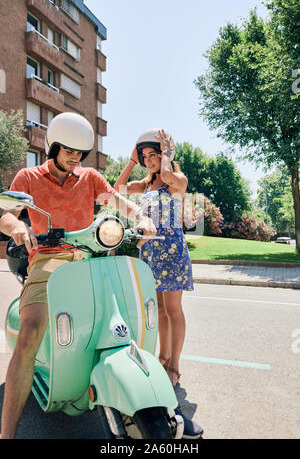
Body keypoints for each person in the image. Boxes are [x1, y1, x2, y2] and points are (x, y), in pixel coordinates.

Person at [0, 112, 156, 439]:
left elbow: (119, 202)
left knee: (125, 320)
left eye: (80, 153)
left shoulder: (90, 178)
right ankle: (7, 433)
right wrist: (17, 227)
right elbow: (5, 214)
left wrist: (142, 217)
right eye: (69, 150)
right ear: (53, 146)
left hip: (91, 259)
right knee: (29, 333)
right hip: (47, 263)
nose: (75, 158)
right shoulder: (28, 177)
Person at [114, 128, 203, 439]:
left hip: (173, 252)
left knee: (174, 309)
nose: (150, 161)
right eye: (146, 157)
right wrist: (130, 159)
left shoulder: (176, 179)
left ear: (166, 154)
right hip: (151, 252)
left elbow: (168, 173)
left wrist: (167, 154)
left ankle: (174, 365)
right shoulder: (148, 183)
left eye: (154, 154)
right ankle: (162, 358)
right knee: (161, 311)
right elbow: (118, 187)